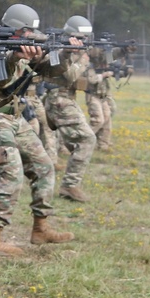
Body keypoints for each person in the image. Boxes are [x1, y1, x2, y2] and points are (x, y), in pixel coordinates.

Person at [0, 3, 74, 252]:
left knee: (44, 167)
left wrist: (63, 52)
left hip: (15, 117)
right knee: (12, 174)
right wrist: (15, 57)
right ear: (16, 31)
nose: (31, 38)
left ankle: (40, 228)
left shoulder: (21, 49)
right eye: (27, 33)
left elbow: (51, 71)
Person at [41, 15, 99, 203]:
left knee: (73, 140)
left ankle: (61, 182)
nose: (83, 42)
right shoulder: (59, 49)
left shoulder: (72, 49)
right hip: (59, 101)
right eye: (81, 38)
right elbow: (70, 76)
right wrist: (82, 57)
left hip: (63, 100)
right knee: (87, 138)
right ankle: (70, 185)